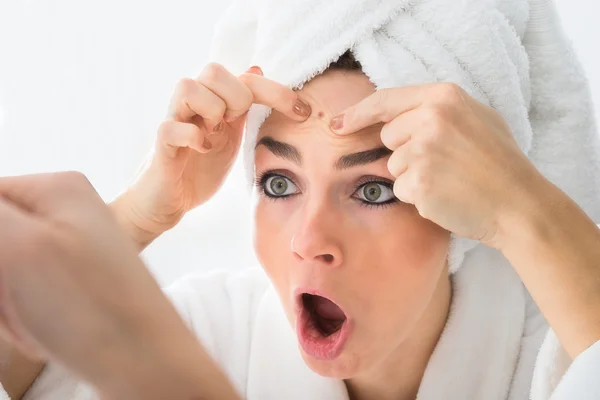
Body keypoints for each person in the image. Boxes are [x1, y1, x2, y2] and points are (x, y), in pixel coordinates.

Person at [2, 1, 600, 400]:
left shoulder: (551, 357)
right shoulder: (210, 334)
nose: (309, 240)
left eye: (374, 190)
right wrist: (139, 215)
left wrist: (522, 202)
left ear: (468, 205)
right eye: (279, 184)